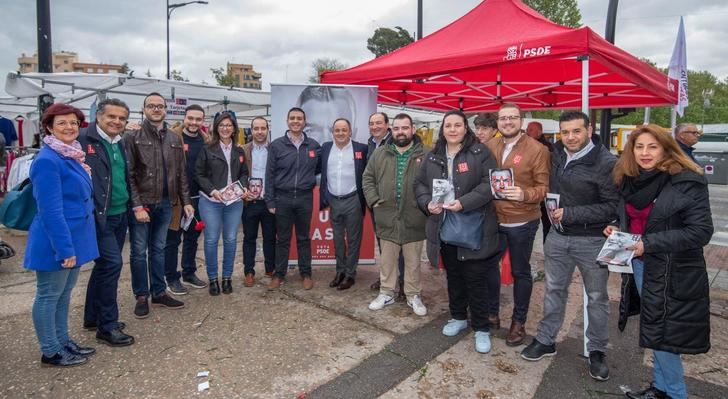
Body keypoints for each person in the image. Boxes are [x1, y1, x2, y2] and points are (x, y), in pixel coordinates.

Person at [605, 125, 713, 399]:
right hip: (641, 265)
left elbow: (700, 231)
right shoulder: (630, 178)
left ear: (666, 147)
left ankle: (676, 394)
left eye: (652, 146)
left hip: (674, 270)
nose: (645, 153)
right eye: (639, 146)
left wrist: (648, 244)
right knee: (655, 328)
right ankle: (660, 389)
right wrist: (617, 226)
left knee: (664, 334)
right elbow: (633, 216)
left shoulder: (686, 179)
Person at [520, 111, 619, 381]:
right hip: (558, 237)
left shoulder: (606, 162)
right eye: (566, 132)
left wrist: (572, 214)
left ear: (589, 130)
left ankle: (596, 350)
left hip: (592, 240)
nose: (571, 137)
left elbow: (613, 206)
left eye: (576, 131)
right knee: (553, 290)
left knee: (597, 297)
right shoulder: (556, 155)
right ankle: (546, 339)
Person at [415, 110, 501, 353]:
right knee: (453, 275)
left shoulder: (480, 153)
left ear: (466, 129)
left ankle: (482, 328)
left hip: (473, 225)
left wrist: (465, 202)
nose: (452, 129)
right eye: (448, 125)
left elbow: (489, 184)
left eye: (457, 125)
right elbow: (419, 184)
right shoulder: (433, 156)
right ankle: (458, 317)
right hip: (443, 225)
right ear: (443, 129)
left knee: (475, 278)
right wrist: (426, 203)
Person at [25, 103, 98, 367]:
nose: (69, 128)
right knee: (48, 295)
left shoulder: (70, 155)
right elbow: (50, 211)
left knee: (64, 294)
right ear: (49, 128)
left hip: (74, 238)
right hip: (57, 241)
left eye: (73, 123)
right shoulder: (47, 160)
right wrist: (65, 249)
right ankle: (51, 350)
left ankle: (63, 340)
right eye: (62, 124)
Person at [485, 103, 550, 346]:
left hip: (522, 220)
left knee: (521, 271)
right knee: (490, 266)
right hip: (494, 218)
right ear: (498, 123)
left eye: (512, 118)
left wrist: (524, 194)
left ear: (521, 121)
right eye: (503, 119)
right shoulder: (490, 145)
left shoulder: (537, 149)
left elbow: (544, 188)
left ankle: (518, 322)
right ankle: (492, 314)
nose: (508, 122)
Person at [125, 92, 194, 318]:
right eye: (151, 106)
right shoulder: (133, 136)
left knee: (158, 250)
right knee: (138, 252)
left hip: (166, 204)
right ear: (144, 109)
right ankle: (142, 295)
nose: (156, 109)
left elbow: (182, 173)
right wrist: (136, 206)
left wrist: (185, 202)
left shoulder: (175, 139)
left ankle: (159, 291)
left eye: (160, 106)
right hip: (143, 204)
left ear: (166, 110)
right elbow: (130, 174)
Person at [78, 99, 135, 347]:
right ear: (99, 117)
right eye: (112, 117)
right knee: (112, 264)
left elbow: (123, 176)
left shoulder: (119, 142)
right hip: (99, 215)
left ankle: (93, 317)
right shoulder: (83, 141)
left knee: (103, 266)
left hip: (120, 212)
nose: (117, 122)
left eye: (122, 118)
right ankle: (107, 326)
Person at [363, 113, 429, 316]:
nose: (401, 132)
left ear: (413, 129)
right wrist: (374, 201)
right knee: (387, 260)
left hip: (414, 217)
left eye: (405, 128)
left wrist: (425, 205)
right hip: (386, 216)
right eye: (397, 128)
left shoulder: (426, 154)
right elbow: (367, 178)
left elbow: (435, 182)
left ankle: (413, 295)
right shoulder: (380, 153)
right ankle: (386, 293)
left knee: (412, 261)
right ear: (392, 130)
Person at [265, 107, 321, 290]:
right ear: (287, 121)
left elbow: (318, 169)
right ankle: (279, 274)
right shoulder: (276, 145)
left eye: (299, 118)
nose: (296, 121)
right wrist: (270, 201)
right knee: (282, 239)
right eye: (293, 118)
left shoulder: (313, 145)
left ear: (304, 122)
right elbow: (270, 174)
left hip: (305, 198)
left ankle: (306, 273)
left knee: (304, 238)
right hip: (283, 198)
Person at [194, 112, 249, 295]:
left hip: (233, 202)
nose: (225, 128)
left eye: (229, 125)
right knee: (211, 239)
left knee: (231, 239)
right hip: (211, 201)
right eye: (222, 125)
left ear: (234, 128)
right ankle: (212, 279)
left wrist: (243, 188)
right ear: (216, 128)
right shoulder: (207, 149)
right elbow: (199, 174)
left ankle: (227, 277)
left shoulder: (239, 151)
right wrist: (212, 190)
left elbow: (244, 173)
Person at [164, 104, 210, 295]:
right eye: (190, 118)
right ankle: (171, 277)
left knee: (192, 237)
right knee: (172, 239)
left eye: (198, 119)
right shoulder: (171, 137)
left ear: (203, 121)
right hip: (176, 199)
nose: (194, 123)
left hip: (198, 197)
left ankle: (189, 273)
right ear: (184, 118)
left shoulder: (206, 140)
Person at [320, 118, 369, 290]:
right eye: (337, 130)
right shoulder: (326, 148)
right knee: (338, 239)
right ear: (332, 132)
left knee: (354, 239)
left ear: (350, 132)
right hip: (333, 200)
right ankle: (340, 271)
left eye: (344, 130)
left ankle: (350, 274)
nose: (340, 133)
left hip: (353, 200)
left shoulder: (361, 149)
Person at [241, 117, 276, 287]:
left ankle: (270, 268)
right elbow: (237, 174)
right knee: (249, 238)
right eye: (256, 128)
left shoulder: (275, 149)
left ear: (268, 129)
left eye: (263, 128)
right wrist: (242, 191)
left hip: (269, 201)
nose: (260, 131)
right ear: (252, 130)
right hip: (250, 202)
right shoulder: (243, 150)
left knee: (270, 237)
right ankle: (249, 271)